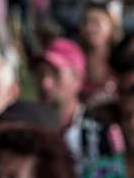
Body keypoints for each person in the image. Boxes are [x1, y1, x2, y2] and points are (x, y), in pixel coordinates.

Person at [36, 38, 120, 171]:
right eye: (40, 74)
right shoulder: (28, 127)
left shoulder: (101, 130)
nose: (45, 83)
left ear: (78, 78)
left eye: (56, 74)